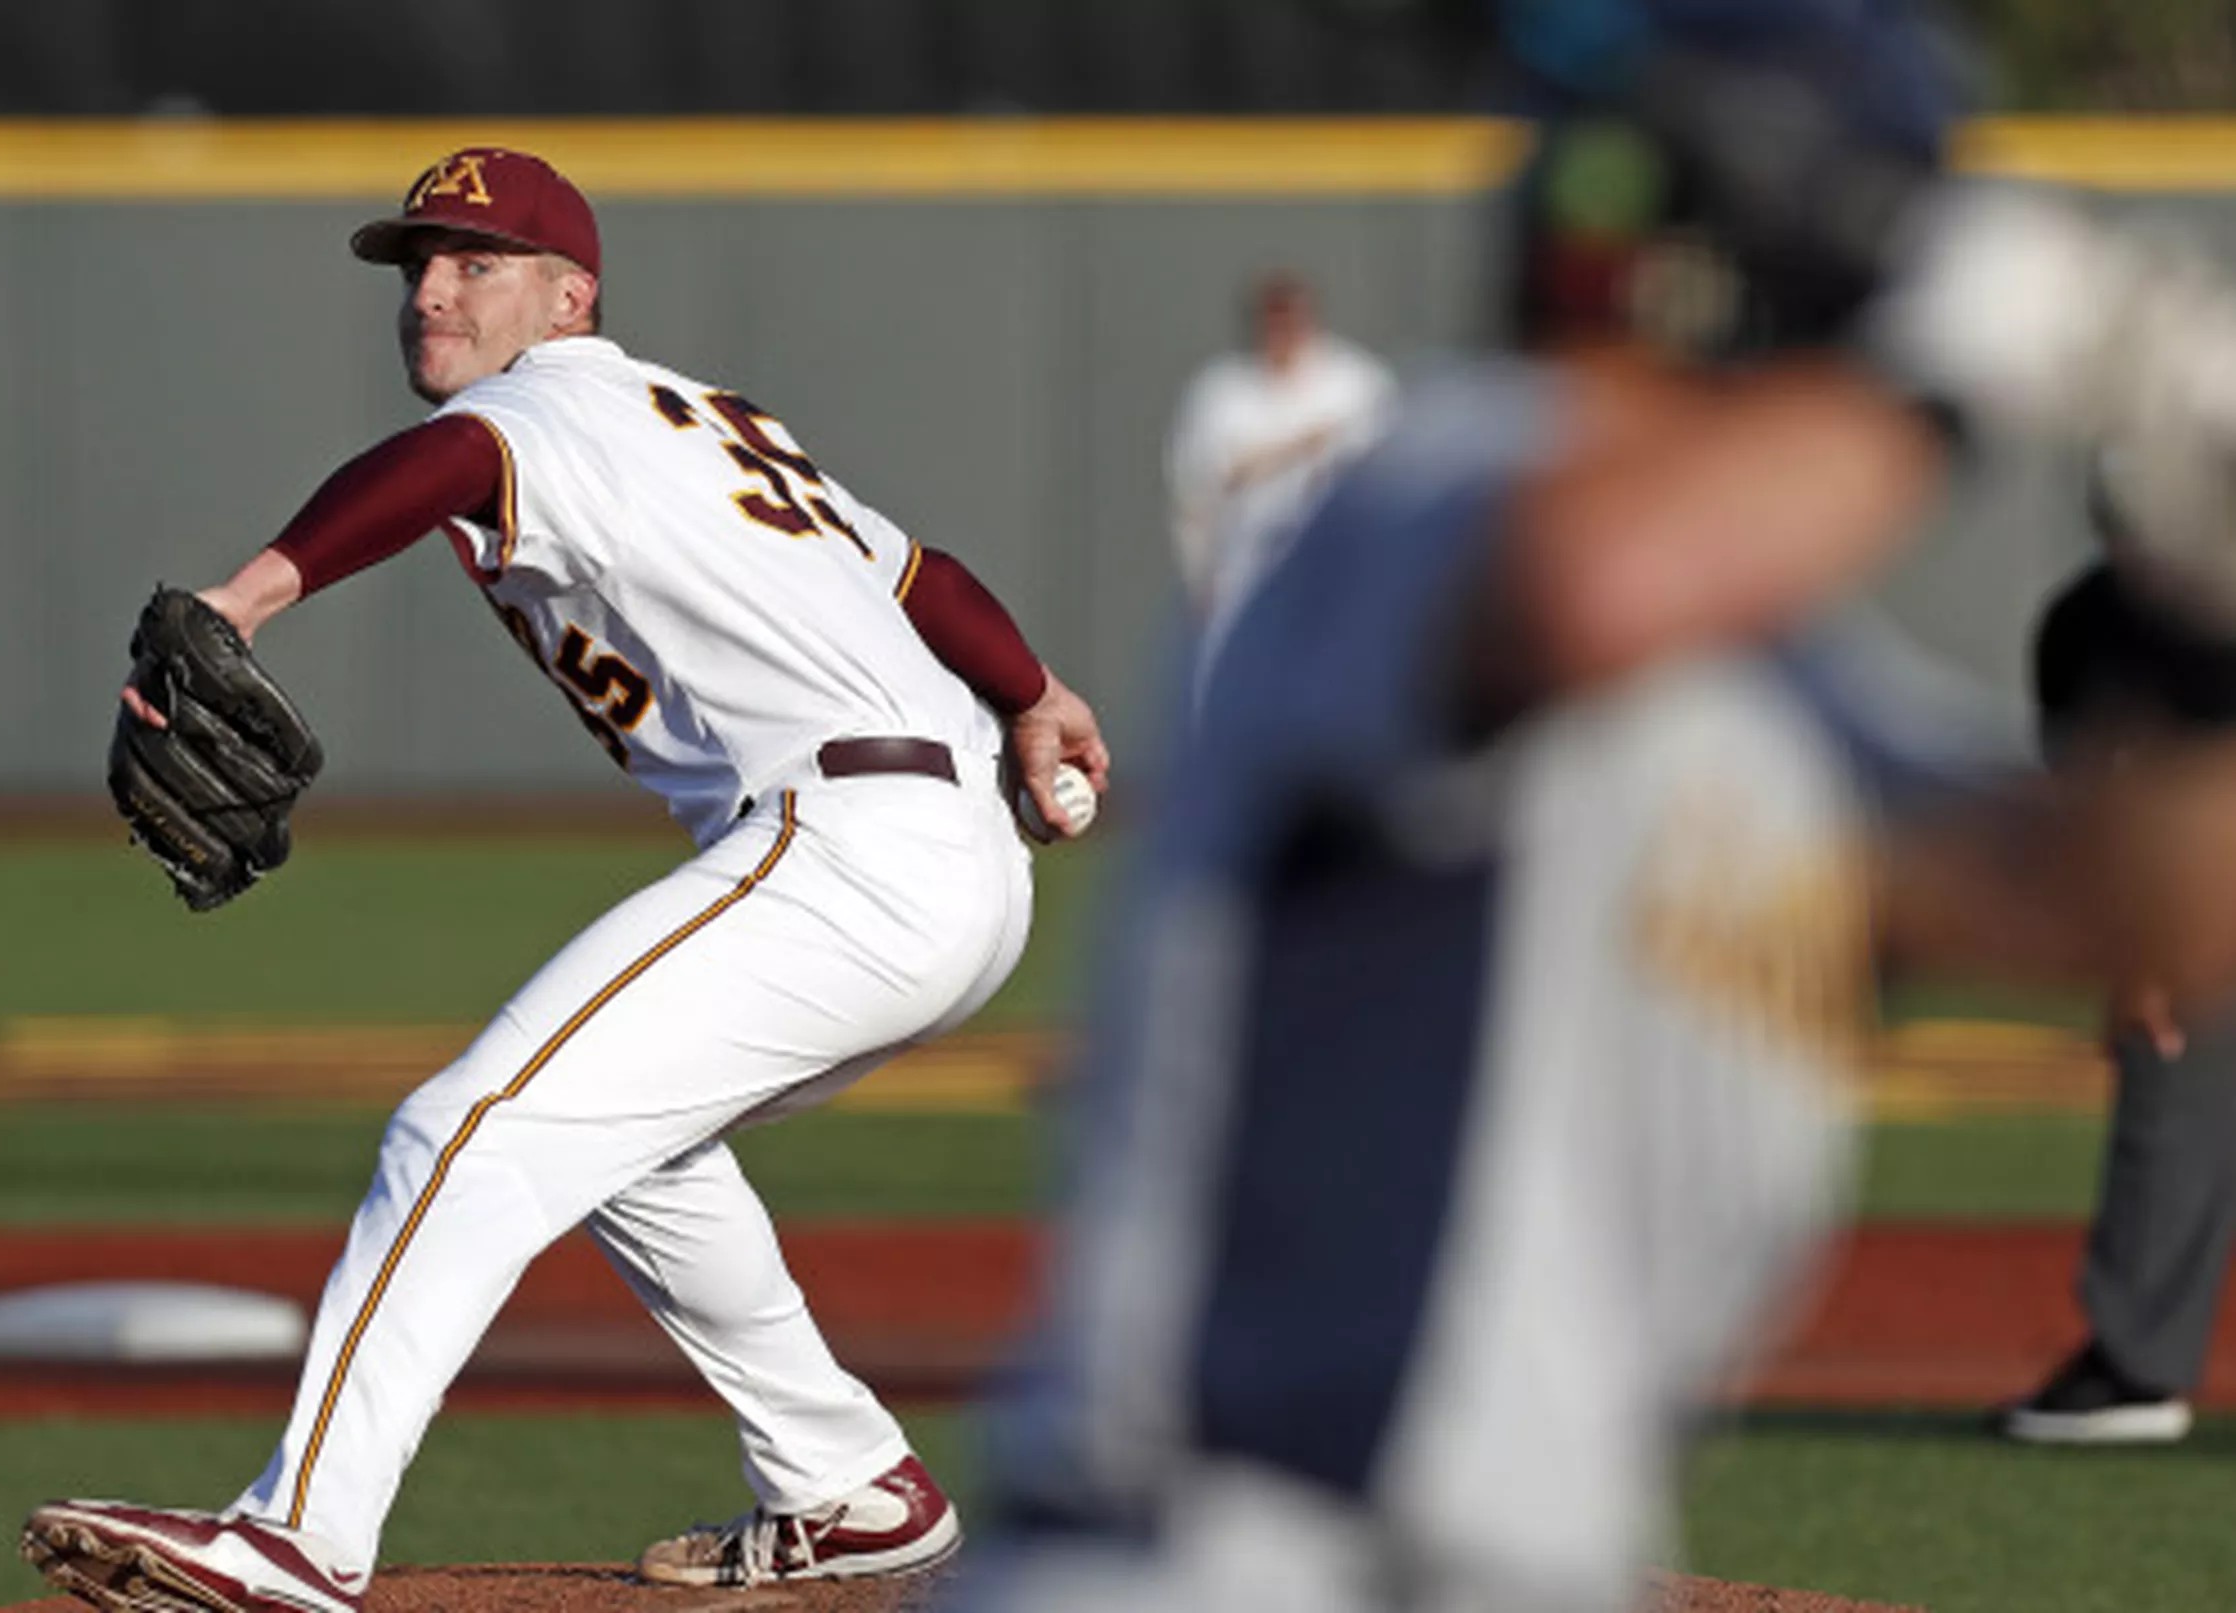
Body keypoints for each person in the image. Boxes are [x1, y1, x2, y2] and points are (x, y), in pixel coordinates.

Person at [951, 6, 2236, 1611]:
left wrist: (2204, 607)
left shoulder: (1786, 684)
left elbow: (2121, 905)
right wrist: (1956, 363)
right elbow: (1593, 585)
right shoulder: (1433, 478)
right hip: (1228, 1554)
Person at [18, 144, 1110, 1613]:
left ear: (568, 292)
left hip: (845, 847)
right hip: (944, 848)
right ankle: (846, 1485)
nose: (431, 291)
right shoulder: (699, 418)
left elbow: (451, 463)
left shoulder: (549, 404)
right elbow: (923, 579)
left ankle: (295, 1540)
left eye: (476, 262)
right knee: (626, 1143)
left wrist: (248, 592)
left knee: (459, 1128)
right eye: (417, 264)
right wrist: (1035, 691)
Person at [1999, 467, 2236, 1446]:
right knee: (2168, 1070)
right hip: (2192, 896)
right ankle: (2134, 1362)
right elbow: (2095, 798)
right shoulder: (2084, 625)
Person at [1164, 272, 1396, 628]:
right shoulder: (1223, 391)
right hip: (1244, 576)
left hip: (1336, 575)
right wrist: (1199, 579)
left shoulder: (1354, 383)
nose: (1283, 330)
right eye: (1273, 318)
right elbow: (1199, 490)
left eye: (1291, 318)